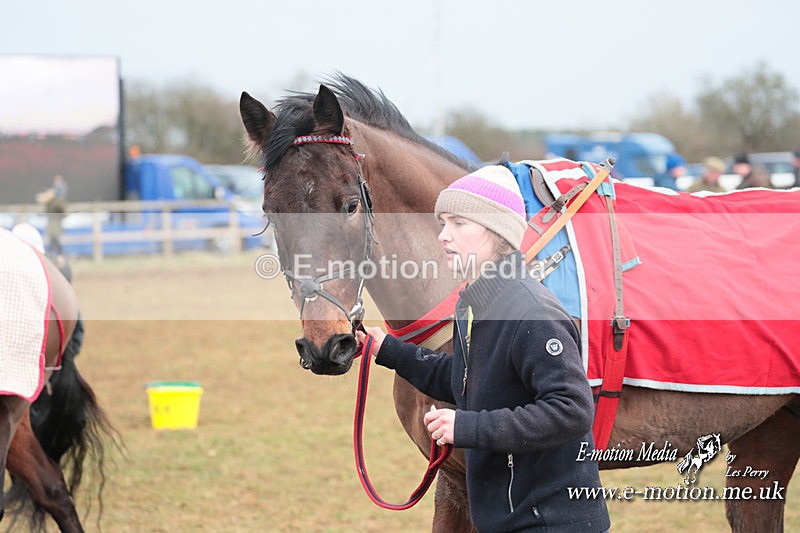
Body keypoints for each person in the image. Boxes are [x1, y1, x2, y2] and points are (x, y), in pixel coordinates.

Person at [356, 166, 610, 532]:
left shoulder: (532, 312)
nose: (443, 236)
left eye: (459, 223)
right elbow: (467, 379)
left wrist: (468, 426)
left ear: (496, 231)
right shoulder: (475, 305)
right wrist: (387, 350)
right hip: (510, 520)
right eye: (443, 223)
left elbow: (572, 410)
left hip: (551, 523)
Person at [37, 174, 68, 257]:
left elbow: (62, 211)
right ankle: (57, 255)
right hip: (53, 222)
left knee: (54, 240)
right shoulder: (53, 197)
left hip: (56, 222)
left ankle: (56, 255)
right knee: (54, 240)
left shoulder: (58, 194)